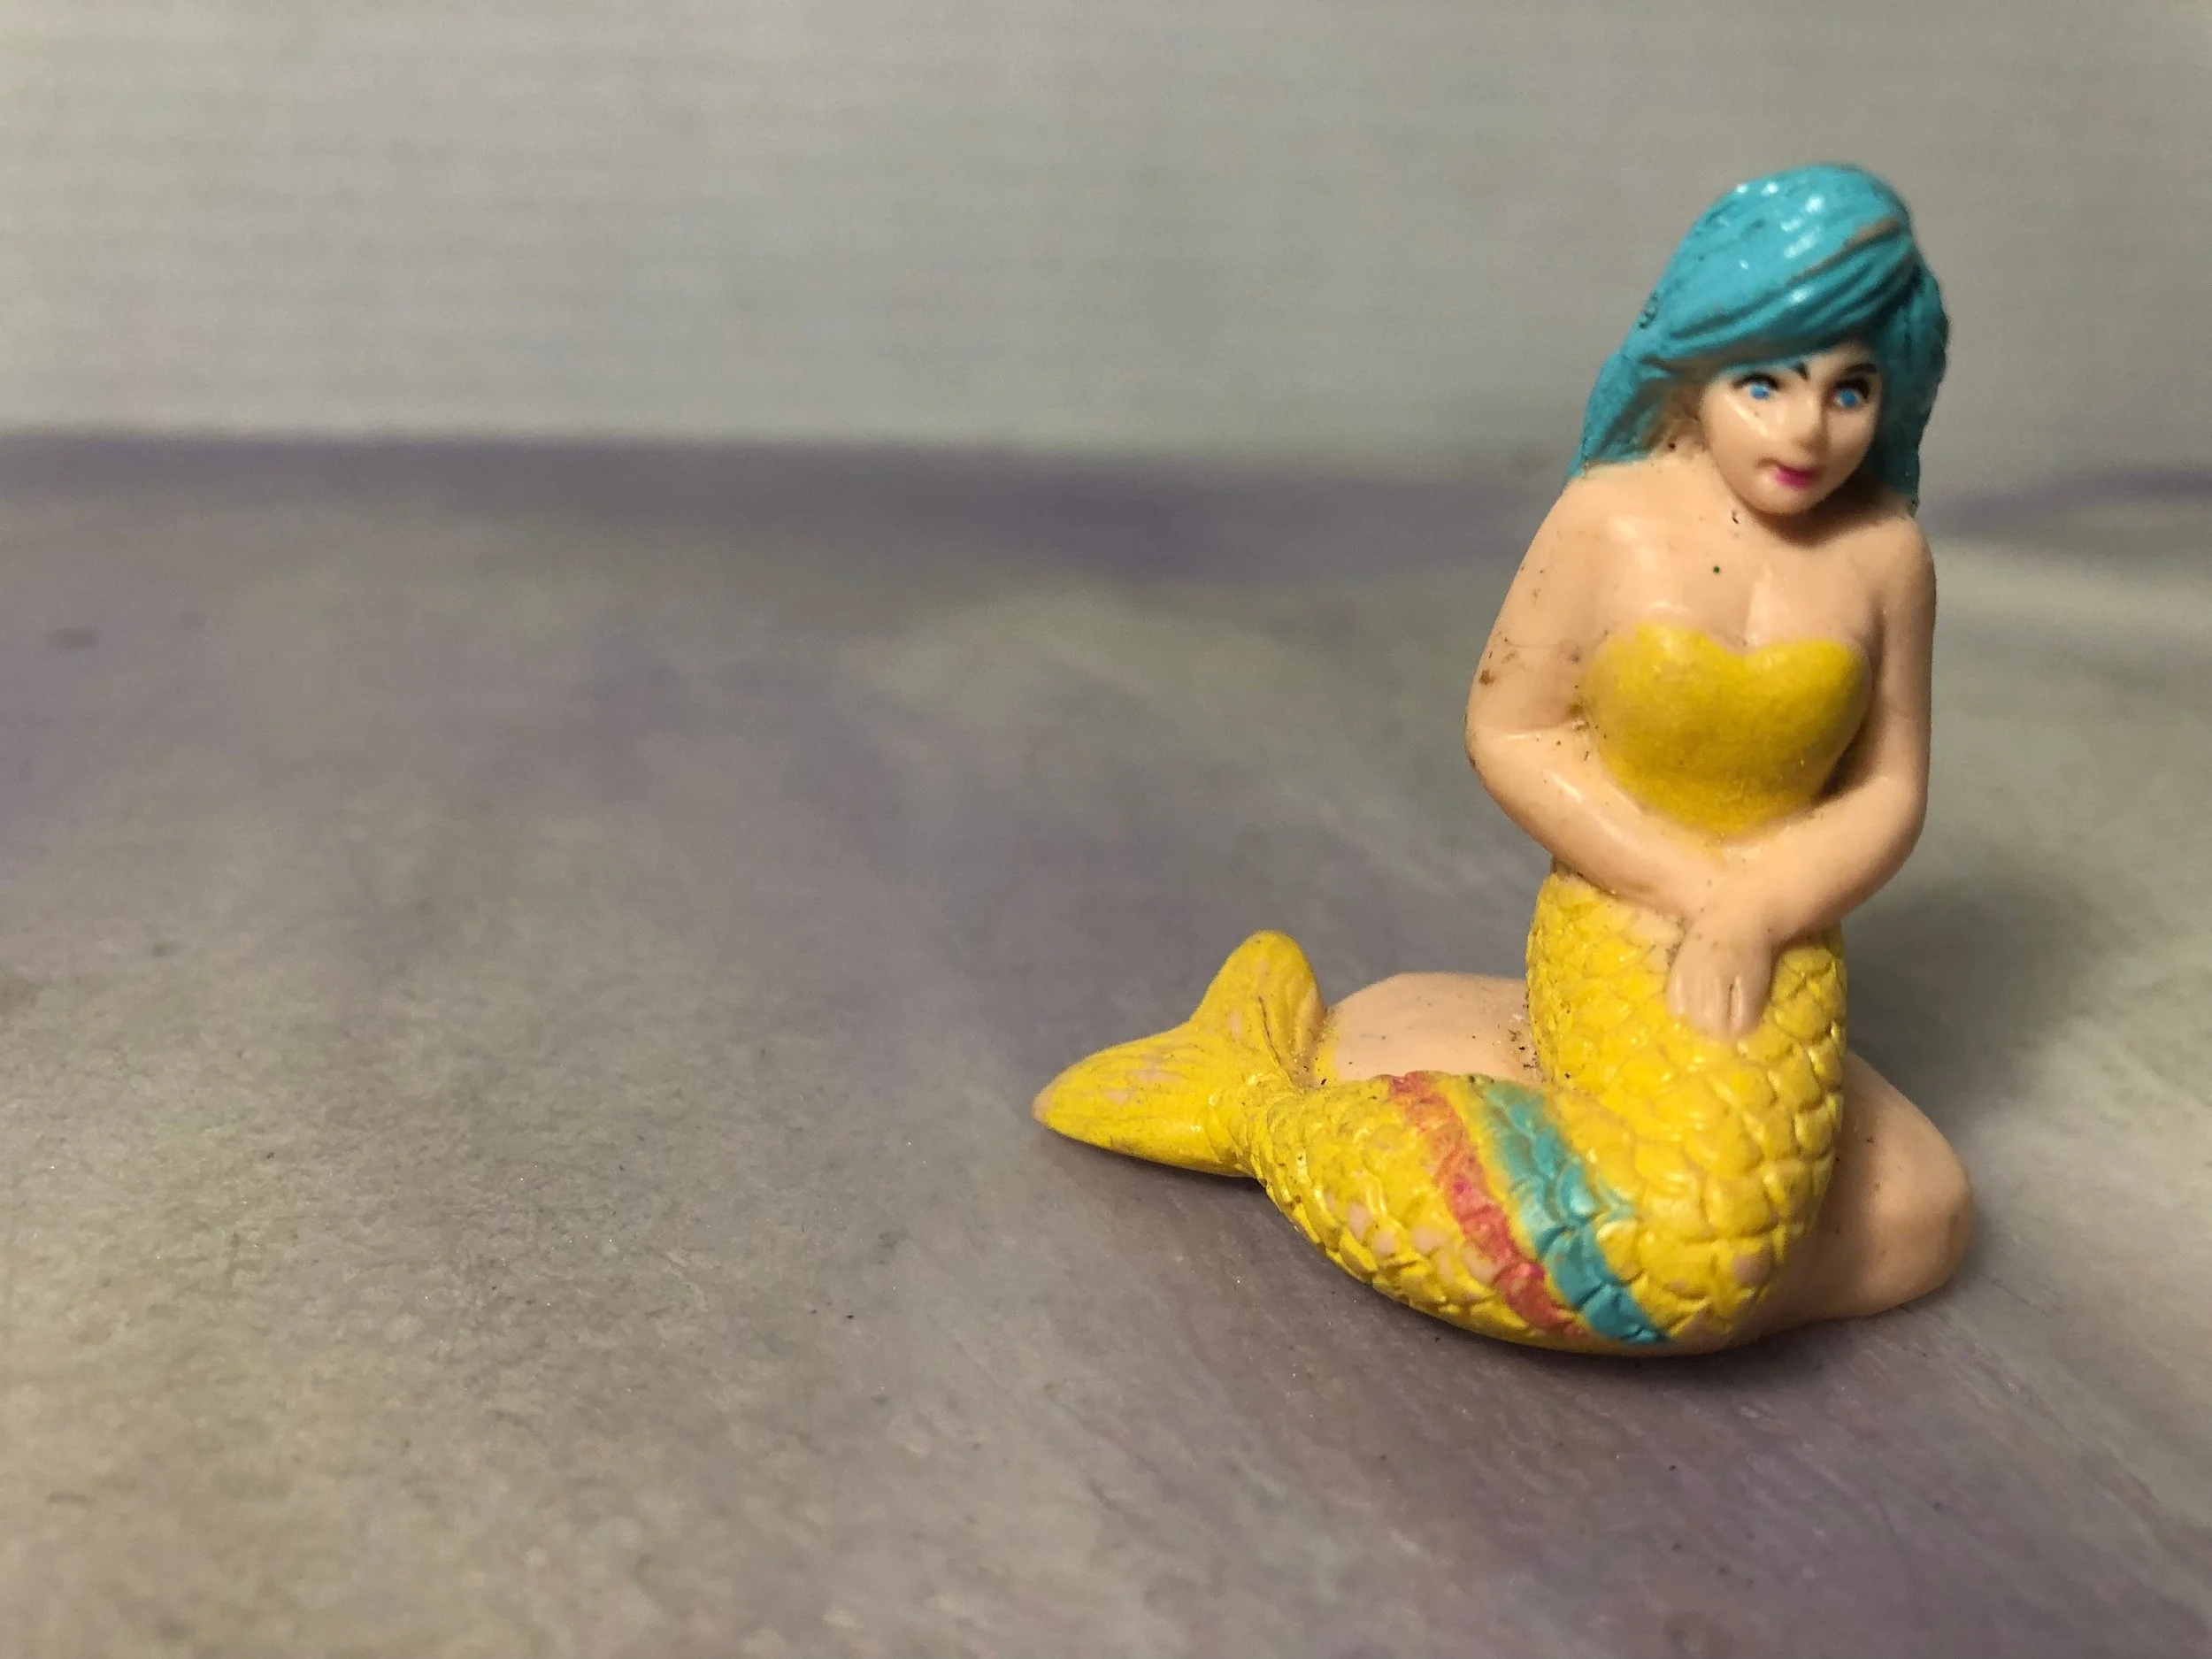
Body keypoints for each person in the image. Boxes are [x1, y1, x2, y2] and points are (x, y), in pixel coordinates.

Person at [1035, 165, 1972, 1352]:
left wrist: (1759, 906)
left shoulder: (1886, 557)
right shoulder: (1610, 518)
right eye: (1764, 383)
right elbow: (1514, 728)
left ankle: (1369, 1096)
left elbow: (1889, 786)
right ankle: (1264, 1109)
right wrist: (1683, 884)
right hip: (1621, 902)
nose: (1806, 429)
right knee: (1689, 1256)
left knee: (1840, 1217)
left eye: (1851, 391)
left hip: (1782, 928)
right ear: (1695, 367)